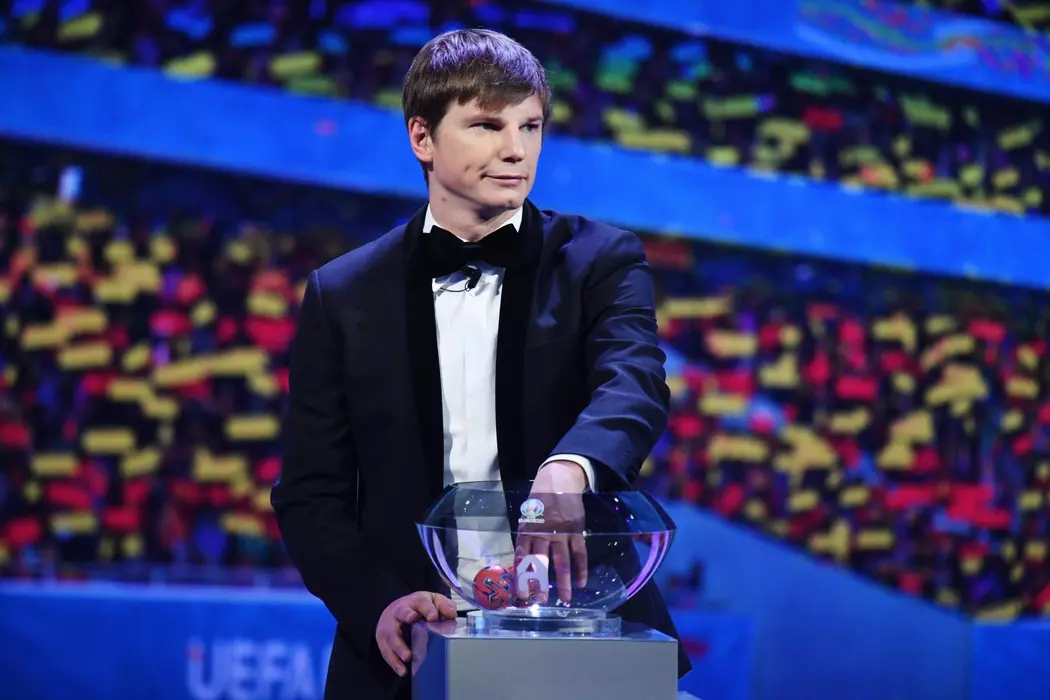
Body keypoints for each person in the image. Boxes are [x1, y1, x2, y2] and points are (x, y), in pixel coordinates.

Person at [272, 28, 691, 700]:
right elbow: (309, 493)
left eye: (531, 126)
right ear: (423, 138)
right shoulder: (343, 293)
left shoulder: (599, 261)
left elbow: (634, 384)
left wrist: (570, 467)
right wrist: (378, 602)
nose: (516, 149)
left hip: (584, 640)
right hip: (405, 652)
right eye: (488, 125)